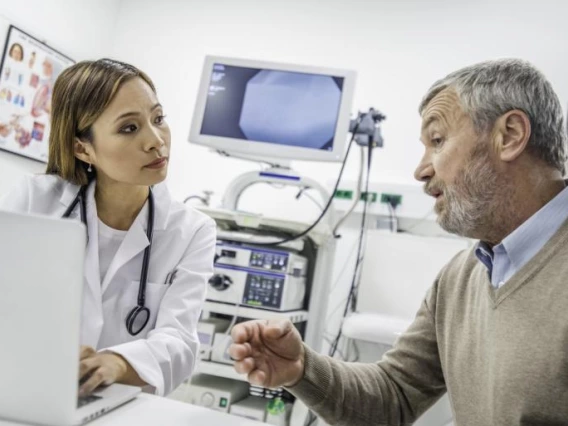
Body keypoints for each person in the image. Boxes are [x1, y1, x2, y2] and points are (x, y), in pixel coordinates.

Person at [229, 58, 568, 425]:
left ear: (511, 135)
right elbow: (394, 394)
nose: (421, 170)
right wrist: (301, 369)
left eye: (437, 141)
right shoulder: (461, 276)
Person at [0, 58, 216, 398]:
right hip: (29, 390)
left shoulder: (192, 230)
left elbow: (179, 342)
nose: (156, 140)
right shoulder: (34, 201)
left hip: (122, 402)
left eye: (158, 119)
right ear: (82, 148)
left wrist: (116, 362)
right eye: (129, 128)